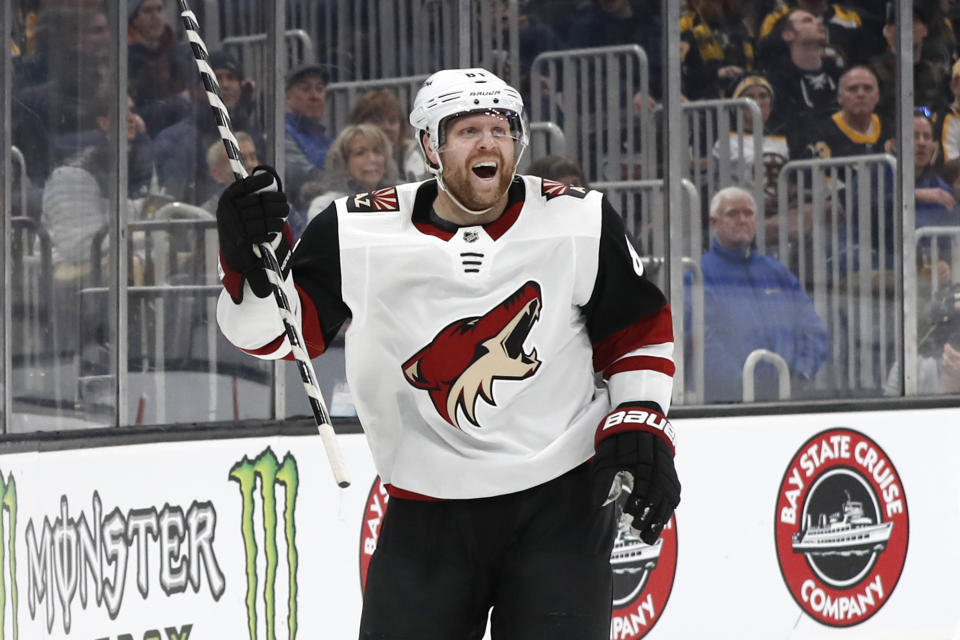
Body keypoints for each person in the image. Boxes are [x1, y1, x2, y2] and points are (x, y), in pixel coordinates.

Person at [215, 68, 680, 638]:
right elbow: (277, 337)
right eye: (468, 130)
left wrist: (640, 417)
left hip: (561, 504)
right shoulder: (356, 230)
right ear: (430, 147)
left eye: (501, 129)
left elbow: (636, 329)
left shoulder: (578, 220)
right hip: (427, 509)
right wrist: (246, 263)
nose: (489, 143)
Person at [692, 186, 829, 403]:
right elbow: (700, 340)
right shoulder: (697, 274)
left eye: (748, 213)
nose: (742, 219)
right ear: (713, 223)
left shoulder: (776, 271)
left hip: (787, 398)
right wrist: (743, 385)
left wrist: (801, 373)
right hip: (726, 405)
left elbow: (813, 329)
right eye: (732, 213)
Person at [760, 9, 843, 131]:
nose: (819, 22)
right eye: (808, 21)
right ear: (788, 35)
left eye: (818, 19)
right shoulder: (776, 84)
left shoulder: (840, 75)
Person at [680, 0, 755, 101]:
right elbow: (684, 75)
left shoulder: (740, 27)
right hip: (705, 102)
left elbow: (754, 62)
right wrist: (716, 73)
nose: (717, 6)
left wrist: (744, 73)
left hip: (740, 97)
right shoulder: (689, 27)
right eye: (714, 3)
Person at [348, 89, 428, 182]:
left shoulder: (415, 153)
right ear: (359, 125)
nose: (387, 127)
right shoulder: (346, 153)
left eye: (392, 121)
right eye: (377, 121)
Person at [284, 63, 335, 206]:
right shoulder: (281, 135)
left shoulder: (329, 141)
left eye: (319, 89)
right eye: (306, 89)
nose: (315, 96)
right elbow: (303, 176)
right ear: (288, 97)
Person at [200, 132, 260, 213]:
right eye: (241, 160)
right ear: (218, 174)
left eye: (253, 157)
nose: (250, 164)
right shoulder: (205, 216)